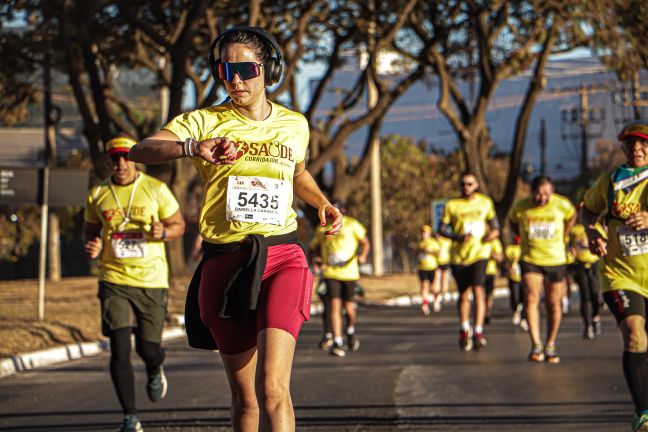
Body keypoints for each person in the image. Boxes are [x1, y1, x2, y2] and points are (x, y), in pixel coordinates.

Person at [128, 26, 342, 431]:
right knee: (246, 401)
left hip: (282, 255)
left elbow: (297, 174)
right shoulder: (203, 120)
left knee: (273, 388)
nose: (235, 79)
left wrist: (323, 203)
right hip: (225, 261)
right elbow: (142, 150)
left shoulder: (295, 124)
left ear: (268, 69)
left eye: (245, 68)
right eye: (225, 69)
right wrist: (193, 146)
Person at [84, 136, 185, 432]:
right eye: (114, 158)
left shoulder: (156, 189)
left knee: (149, 348)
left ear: (136, 159)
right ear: (108, 161)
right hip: (113, 277)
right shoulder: (97, 194)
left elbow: (179, 225)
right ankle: (130, 417)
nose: (120, 164)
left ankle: (155, 367)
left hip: (151, 279)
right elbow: (90, 231)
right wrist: (91, 246)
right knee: (119, 347)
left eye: (126, 157)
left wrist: (163, 232)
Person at [580, 120, 648, 432]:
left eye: (643, 143)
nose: (637, 149)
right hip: (621, 274)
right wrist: (592, 232)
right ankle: (643, 413)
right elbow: (587, 211)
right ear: (622, 148)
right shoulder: (610, 181)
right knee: (634, 333)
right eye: (631, 144)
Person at [508, 176, 576, 364]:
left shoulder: (562, 204)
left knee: (553, 303)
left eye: (546, 194)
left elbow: (572, 216)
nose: (542, 198)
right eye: (538, 194)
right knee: (531, 297)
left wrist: (565, 233)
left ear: (552, 192)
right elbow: (512, 221)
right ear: (532, 192)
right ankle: (536, 343)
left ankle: (551, 343)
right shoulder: (521, 206)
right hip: (531, 258)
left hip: (555, 258)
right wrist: (522, 234)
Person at [439, 172, 500, 351]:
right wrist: (458, 237)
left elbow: (495, 226)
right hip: (459, 256)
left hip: (480, 253)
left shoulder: (485, 203)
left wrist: (492, 235)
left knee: (478, 290)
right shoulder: (452, 205)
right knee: (464, 294)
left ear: (476, 185)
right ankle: (465, 328)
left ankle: (479, 331)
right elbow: (441, 229)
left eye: (470, 184)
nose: (467, 187)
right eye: (463, 184)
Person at [309, 201, 370, 356]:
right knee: (334, 305)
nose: (331, 216)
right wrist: (316, 260)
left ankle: (350, 330)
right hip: (331, 273)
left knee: (349, 307)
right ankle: (338, 341)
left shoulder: (352, 224)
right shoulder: (322, 227)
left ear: (342, 211)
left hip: (349, 272)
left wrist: (362, 256)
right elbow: (313, 246)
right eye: (329, 212)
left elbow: (365, 242)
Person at [569, 220, 602, 339]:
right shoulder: (574, 230)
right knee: (585, 295)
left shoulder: (597, 227)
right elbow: (567, 243)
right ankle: (587, 325)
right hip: (580, 265)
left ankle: (596, 317)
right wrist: (571, 250)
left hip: (594, 264)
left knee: (595, 294)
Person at [416, 225, 440, 316]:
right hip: (422, 267)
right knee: (424, 285)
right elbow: (416, 254)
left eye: (425, 232)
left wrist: (429, 251)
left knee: (434, 287)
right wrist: (419, 250)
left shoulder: (433, 243)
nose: (423, 234)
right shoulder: (420, 243)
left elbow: (438, 253)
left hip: (432, 267)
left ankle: (436, 299)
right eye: (422, 232)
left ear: (429, 233)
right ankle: (425, 305)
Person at [504, 236, 526, 329]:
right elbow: (505, 262)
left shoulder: (526, 248)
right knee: (515, 296)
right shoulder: (509, 249)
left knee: (525, 297)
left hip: (524, 277)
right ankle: (516, 311)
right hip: (514, 276)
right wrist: (508, 267)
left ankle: (524, 318)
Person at [484, 238, 504, 324]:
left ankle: (487, 312)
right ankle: (481, 312)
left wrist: (491, 255)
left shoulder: (495, 242)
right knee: (479, 294)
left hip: (490, 271)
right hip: (478, 271)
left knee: (489, 294)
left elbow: (500, 257)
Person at [434, 232, 452, 309]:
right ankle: (436, 298)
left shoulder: (447, 241)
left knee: (445, 279)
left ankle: (444, 293)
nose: (438, 236)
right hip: (436, 263)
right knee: (437, 279)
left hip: (445, 262)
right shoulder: (433, 242)